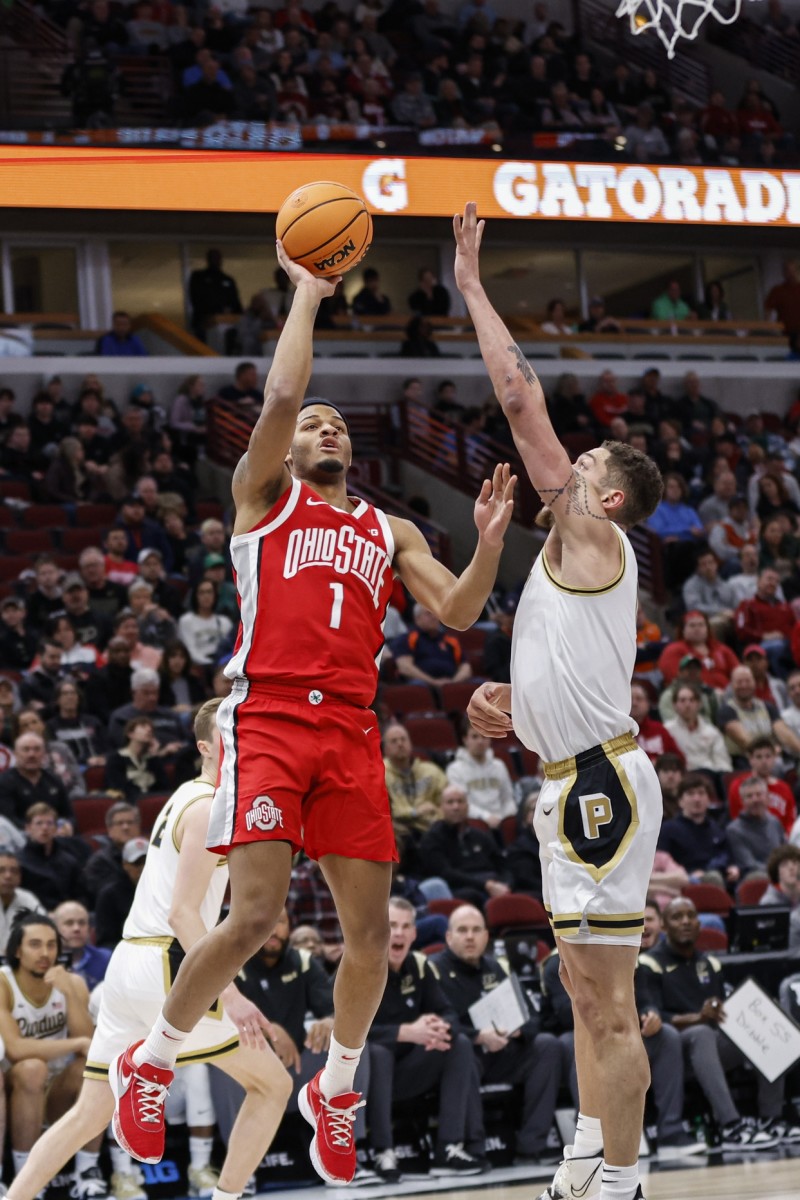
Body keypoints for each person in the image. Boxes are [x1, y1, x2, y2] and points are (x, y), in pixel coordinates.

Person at [110, 236, 515, 1184]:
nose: (326, 428)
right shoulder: (265, 499)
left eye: (338, 423)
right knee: (251, 918)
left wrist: (490, 541)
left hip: (351, 730)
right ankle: (153, 1062)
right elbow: (285, 397)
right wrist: (306, 294)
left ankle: (334, 1088)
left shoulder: (391, 526)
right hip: (271, 718)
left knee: (371, 939)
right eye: (314, 423)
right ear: (287, 448)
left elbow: (455, 612)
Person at [453, 201, 665, 1200]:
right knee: (581, 990)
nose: (563, 470)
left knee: (609, 1004)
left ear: (608, 499)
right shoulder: (566, 556)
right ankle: (590, 1142)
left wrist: (471, 290)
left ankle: (620, 1177)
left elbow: (519, 403)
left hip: (597, 789)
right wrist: (513, 701)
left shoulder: (595, 537)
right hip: (566, 775)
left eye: (582, 471)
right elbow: (558, 663)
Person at [5, 698, 293, 1200]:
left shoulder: (186, 795)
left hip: (128, 965)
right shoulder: (208, 807)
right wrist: (233, 993)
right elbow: (183, 914)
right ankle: (225, 1196)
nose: (246, 739)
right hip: (168, 963)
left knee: (87, 1114)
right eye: (232, 731)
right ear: (205, 746)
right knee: (274, 1086)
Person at [637, 897, 792, 1148]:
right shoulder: (649, 963)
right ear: (665, 927)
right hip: (673, 1053)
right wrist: (699, 1017)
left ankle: (771, 1119)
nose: (685, 921)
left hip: (710, 1052)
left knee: (765, 1026)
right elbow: (655, 1017)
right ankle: (730, 1125)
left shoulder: (710, 963)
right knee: (701, 1033)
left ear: (700, 925)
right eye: (677, 917)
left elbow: (722, 1012)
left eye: (691, 916)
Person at [433, 904, 562, 1166]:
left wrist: (517, 1031)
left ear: (486, 937)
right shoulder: (435, 970)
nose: (470, 936)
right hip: (460, 1057)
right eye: (462, 930)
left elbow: (532, 1016)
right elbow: (437, 1024)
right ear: (449, 937)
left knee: (547, 1045)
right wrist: (478, 1036)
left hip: (502, 1053)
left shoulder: (497, 967)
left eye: (476, 930)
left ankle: (531, 1146)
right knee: (463, 1049)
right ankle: (474, 1147)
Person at [366, 897, 485, 1179]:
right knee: (378, 1052)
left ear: (414, 934)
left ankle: (448, 1148)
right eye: (392, 925)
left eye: (406, 926)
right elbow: (342, 1029)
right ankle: (383, 1151)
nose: (398, 933)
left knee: (458, 1042)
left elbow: (449, 1014)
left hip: (408, 1072)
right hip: (367, 1078)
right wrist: (405, 1033)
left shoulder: (419, 966)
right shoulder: (360, 967)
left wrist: (436, 1030)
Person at [0, 913, 105, 1198]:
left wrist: (69, 994)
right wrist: (75, 1044)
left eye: (50, 945)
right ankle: (27, 1180)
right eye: (35, 944)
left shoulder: (73, 982)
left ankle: (87, 1173)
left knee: (95, 1068)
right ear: (17, 950)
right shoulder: (3, 983)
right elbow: (15, 1049)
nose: (45, 953)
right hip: (16, 1090)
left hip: (59, 1093)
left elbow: (91, 1046)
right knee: (33, 1067)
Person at [445, 717, 516, 828]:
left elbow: (508, 799)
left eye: (484, 736)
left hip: (501, 822)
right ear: (465, 739)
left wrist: (503, 819)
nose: (480, 741)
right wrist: (486, 817)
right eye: (474, 736)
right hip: (473, 824)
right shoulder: (455, 769)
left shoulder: (499, 766)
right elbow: (462, 804)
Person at [382, 721, 446, 837]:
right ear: (385, 749)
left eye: (403, 739)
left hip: (432, 829)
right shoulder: (380, 774)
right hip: (399, 832)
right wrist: (415, 812)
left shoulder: (431, 771)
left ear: (411, 743)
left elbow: (447, 802)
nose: (400, 744)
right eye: (394, 741)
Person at [725, 775, 785, 876]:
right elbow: (749, 865)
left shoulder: (774, 822)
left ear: (767, 797)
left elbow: (786, 853)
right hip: (754, 880)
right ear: (742, 801)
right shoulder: (734, 830)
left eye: (759, 795)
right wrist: (780, 872)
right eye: (749, 796)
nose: (755, 800)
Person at [52, 901, 111, 992]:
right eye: (69, 923)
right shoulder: (45, 960)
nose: (76, 928)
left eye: (82, 923)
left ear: (89, 929)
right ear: (55, 929)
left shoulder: (106, 959)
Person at [188, 249, 243, 343]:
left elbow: (235, 302)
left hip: (227, 322)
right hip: (204, 323)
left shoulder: (227, 280)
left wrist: (233, 313)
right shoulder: (199, 277)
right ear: (208, 259)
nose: (216, 260)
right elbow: (196, 299)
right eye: (213, 258)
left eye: (217, 258)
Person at [0, 850, 44, 955]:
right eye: (1, 870)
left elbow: (45, 930)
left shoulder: (28, 900)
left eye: (14, 871)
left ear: (20, 877)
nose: (8, 876)